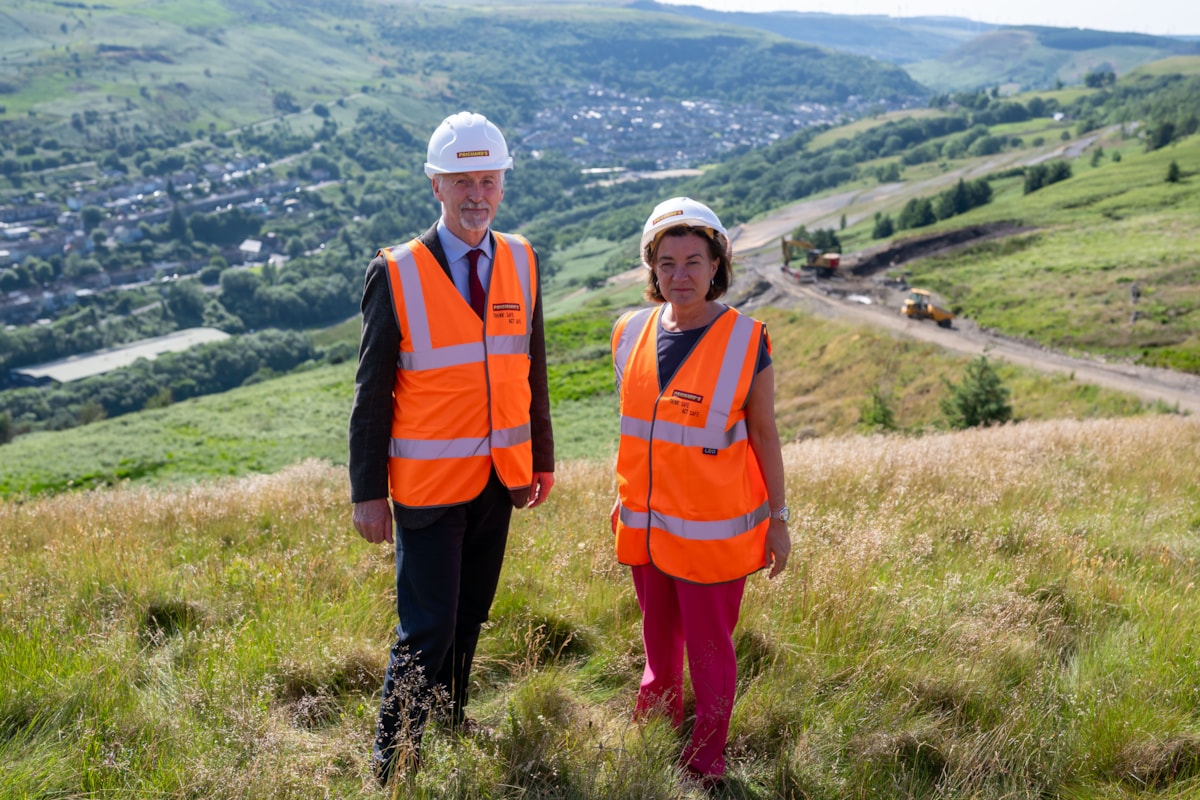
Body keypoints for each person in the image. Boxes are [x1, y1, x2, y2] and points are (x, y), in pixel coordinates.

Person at [348, 110, 555, 786]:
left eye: (489, 181)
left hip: (500, 477)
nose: (478, 195)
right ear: (436, 185)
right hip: (427, 489)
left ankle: (451, 717)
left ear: (502, 187)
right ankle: (391, 765)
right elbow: (372, 393)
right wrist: (366, 493)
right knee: (426, 629)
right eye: (462, 181)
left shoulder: (521, 259)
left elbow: (532, 368)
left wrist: (541, 458)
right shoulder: (397, 272)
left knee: (470, 615)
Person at [609, 196, 790, 787]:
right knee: (658, 646)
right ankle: (656, 734)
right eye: (666, 263)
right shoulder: (628, 333)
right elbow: (640, 427)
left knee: (709, 654)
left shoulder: (746, 340)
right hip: (646, 525)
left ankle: (705, 761)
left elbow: (763, 435)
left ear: (717, 265)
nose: (679, 276)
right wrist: (626, 495)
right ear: (651, 268)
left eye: (693, 261)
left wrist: (779, 520)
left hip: (714, 535)